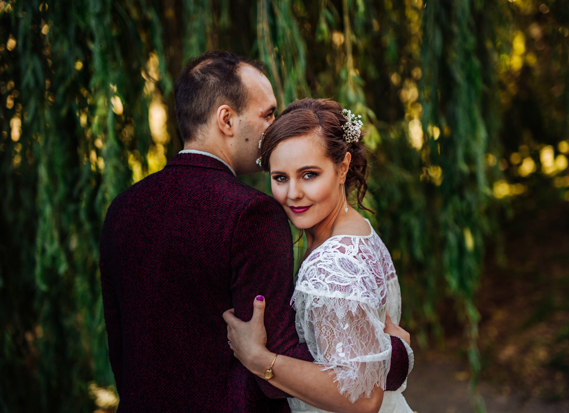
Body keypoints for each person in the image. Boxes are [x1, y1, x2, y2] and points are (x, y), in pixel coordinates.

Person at [99, 51, 412, 412]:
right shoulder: (251, 214)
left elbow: (119, 344)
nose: (274, 128)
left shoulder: (122, 208)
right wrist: (395, 356)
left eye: (308, 174)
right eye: (267, 114)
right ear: (227, 120)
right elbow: (282, 350)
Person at [223, 98, 415, 413]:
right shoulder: (358, 230)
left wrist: (260, 359)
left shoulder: (333, 264)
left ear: (342, 168)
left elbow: (363, 398)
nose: (293, 193)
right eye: (280, 177)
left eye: (309, 174)